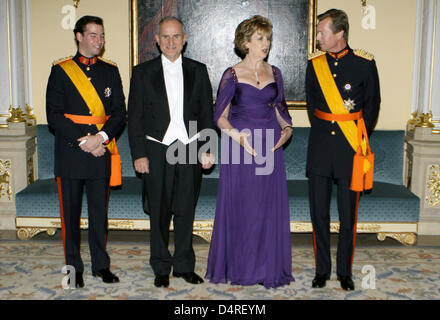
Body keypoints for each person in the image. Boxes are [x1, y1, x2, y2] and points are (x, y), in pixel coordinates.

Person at [205, 15, 294, 288]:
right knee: (243, 207)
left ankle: (267, 268)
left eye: (267, 38)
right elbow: (219, 116)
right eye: (259, 38)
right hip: (239, 147)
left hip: (269, 147)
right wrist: (239, 139)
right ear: (245, 42)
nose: (265, 43)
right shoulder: (232, 74)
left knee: (266, 209)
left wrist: (287, 131)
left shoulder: (275, 73)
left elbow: (282, 112)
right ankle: (241, 268)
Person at [127, 17, 215, 288]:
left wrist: (206, 149)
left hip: (188, 149)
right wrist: (139, 154)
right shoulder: (142, 73)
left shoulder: (198, 71)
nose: (171, 42)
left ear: (184, 38)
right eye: (165, 37)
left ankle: (185, 266)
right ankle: (161, 266)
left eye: (176, 36)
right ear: (156, 40)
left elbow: (205, 116)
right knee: (159, 212)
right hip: (155, 149)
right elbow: (136, 118)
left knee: (186, 209)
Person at [46, 15, 126, 288]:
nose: (99, 40)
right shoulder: (61, 70)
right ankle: (72, 269)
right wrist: (85, 141)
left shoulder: (110, 71)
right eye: (93, 35)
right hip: (71, 153)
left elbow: (119, 114)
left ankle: (101, 266)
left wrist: (101, 138)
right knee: (69, 218)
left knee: (98, 216)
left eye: (101, 35)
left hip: (100, 153)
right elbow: (54, 115)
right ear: (78, 36)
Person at [306, 9, 380, 291]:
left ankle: (344, 272)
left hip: (351, 150)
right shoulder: (314, 64)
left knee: (348, 217)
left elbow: (372, 105)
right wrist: (329, 131)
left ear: (340, 34)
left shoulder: (364, 63)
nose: (318, 37)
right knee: (319, 214)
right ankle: (322, 270)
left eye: (322, 32)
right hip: (321, 149)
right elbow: (314, 107)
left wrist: (356, 136)